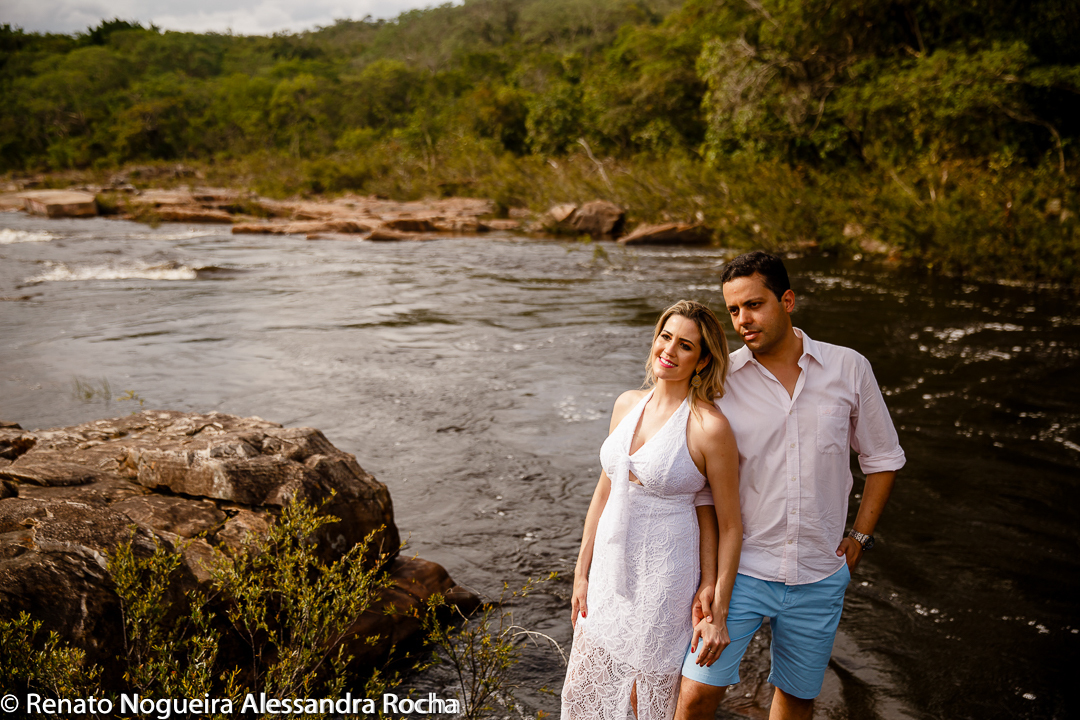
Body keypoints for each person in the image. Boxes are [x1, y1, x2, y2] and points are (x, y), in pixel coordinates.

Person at [676, 252, 906, 720]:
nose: (743, 320)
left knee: (798, 699)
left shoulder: (849, 368)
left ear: (787, 301)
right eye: (734, 310)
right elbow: (697, 484)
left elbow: (882, 458)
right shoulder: (721, 381)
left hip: (820, 574)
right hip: (738, 573)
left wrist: (859, 537)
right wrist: (706, 576)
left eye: (754, 305)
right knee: (697, 694)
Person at [561, 300, 743, 720]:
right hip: (610, 567)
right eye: (666, 337)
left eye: (685, 346)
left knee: (644, 693)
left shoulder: (708, 426)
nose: (669, 351)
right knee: (589, 682)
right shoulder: (627, 403)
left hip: (665, 577)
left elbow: (728, 522)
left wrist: (716, 596)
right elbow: (605, 488)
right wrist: (581, 571)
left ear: (702, 360)